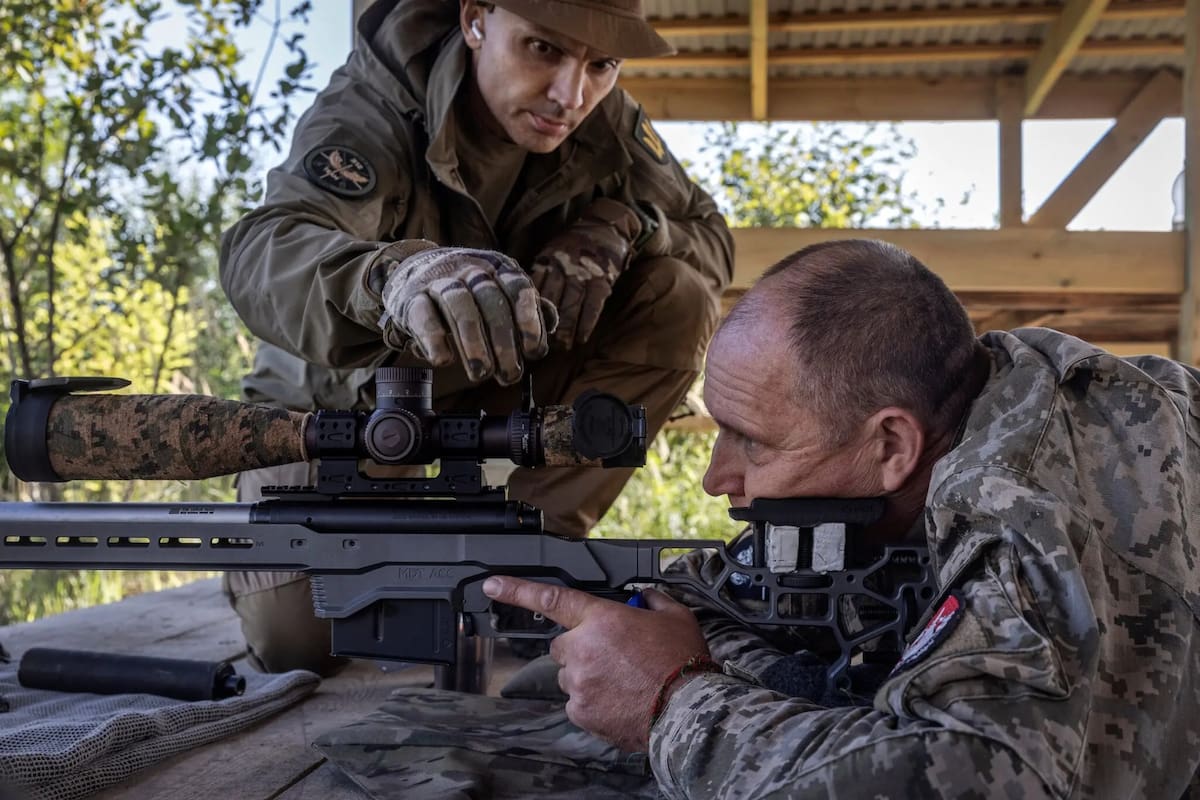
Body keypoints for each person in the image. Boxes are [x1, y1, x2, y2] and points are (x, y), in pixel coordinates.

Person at [474, 238, 1200, 797]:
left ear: (891, 444)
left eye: (752, 442)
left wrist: (672, 705)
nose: (715, 478)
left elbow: (976, 775)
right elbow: (734, 593)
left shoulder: (1018, 501)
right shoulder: (989, 388)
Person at [217, 0, 733, 675]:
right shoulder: (376, 103)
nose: (570, 95)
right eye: (543, 49)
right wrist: (396, 278)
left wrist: (625, 225)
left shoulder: (606, 121)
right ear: (476, 20)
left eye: (601, 64)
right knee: (301, 646)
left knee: (680, 295)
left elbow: (712, 242)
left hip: (501, 390)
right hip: (338, 410)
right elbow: (262, 251)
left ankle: (533, 550)